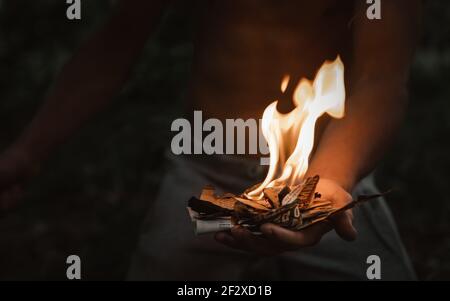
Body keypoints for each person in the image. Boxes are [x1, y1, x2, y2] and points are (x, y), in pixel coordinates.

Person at [0, 0, 421, 280]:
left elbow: (380, 80)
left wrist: (324, 185)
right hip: (204, 172)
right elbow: (114, 46)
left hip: (327, 173)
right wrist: (28, 151)